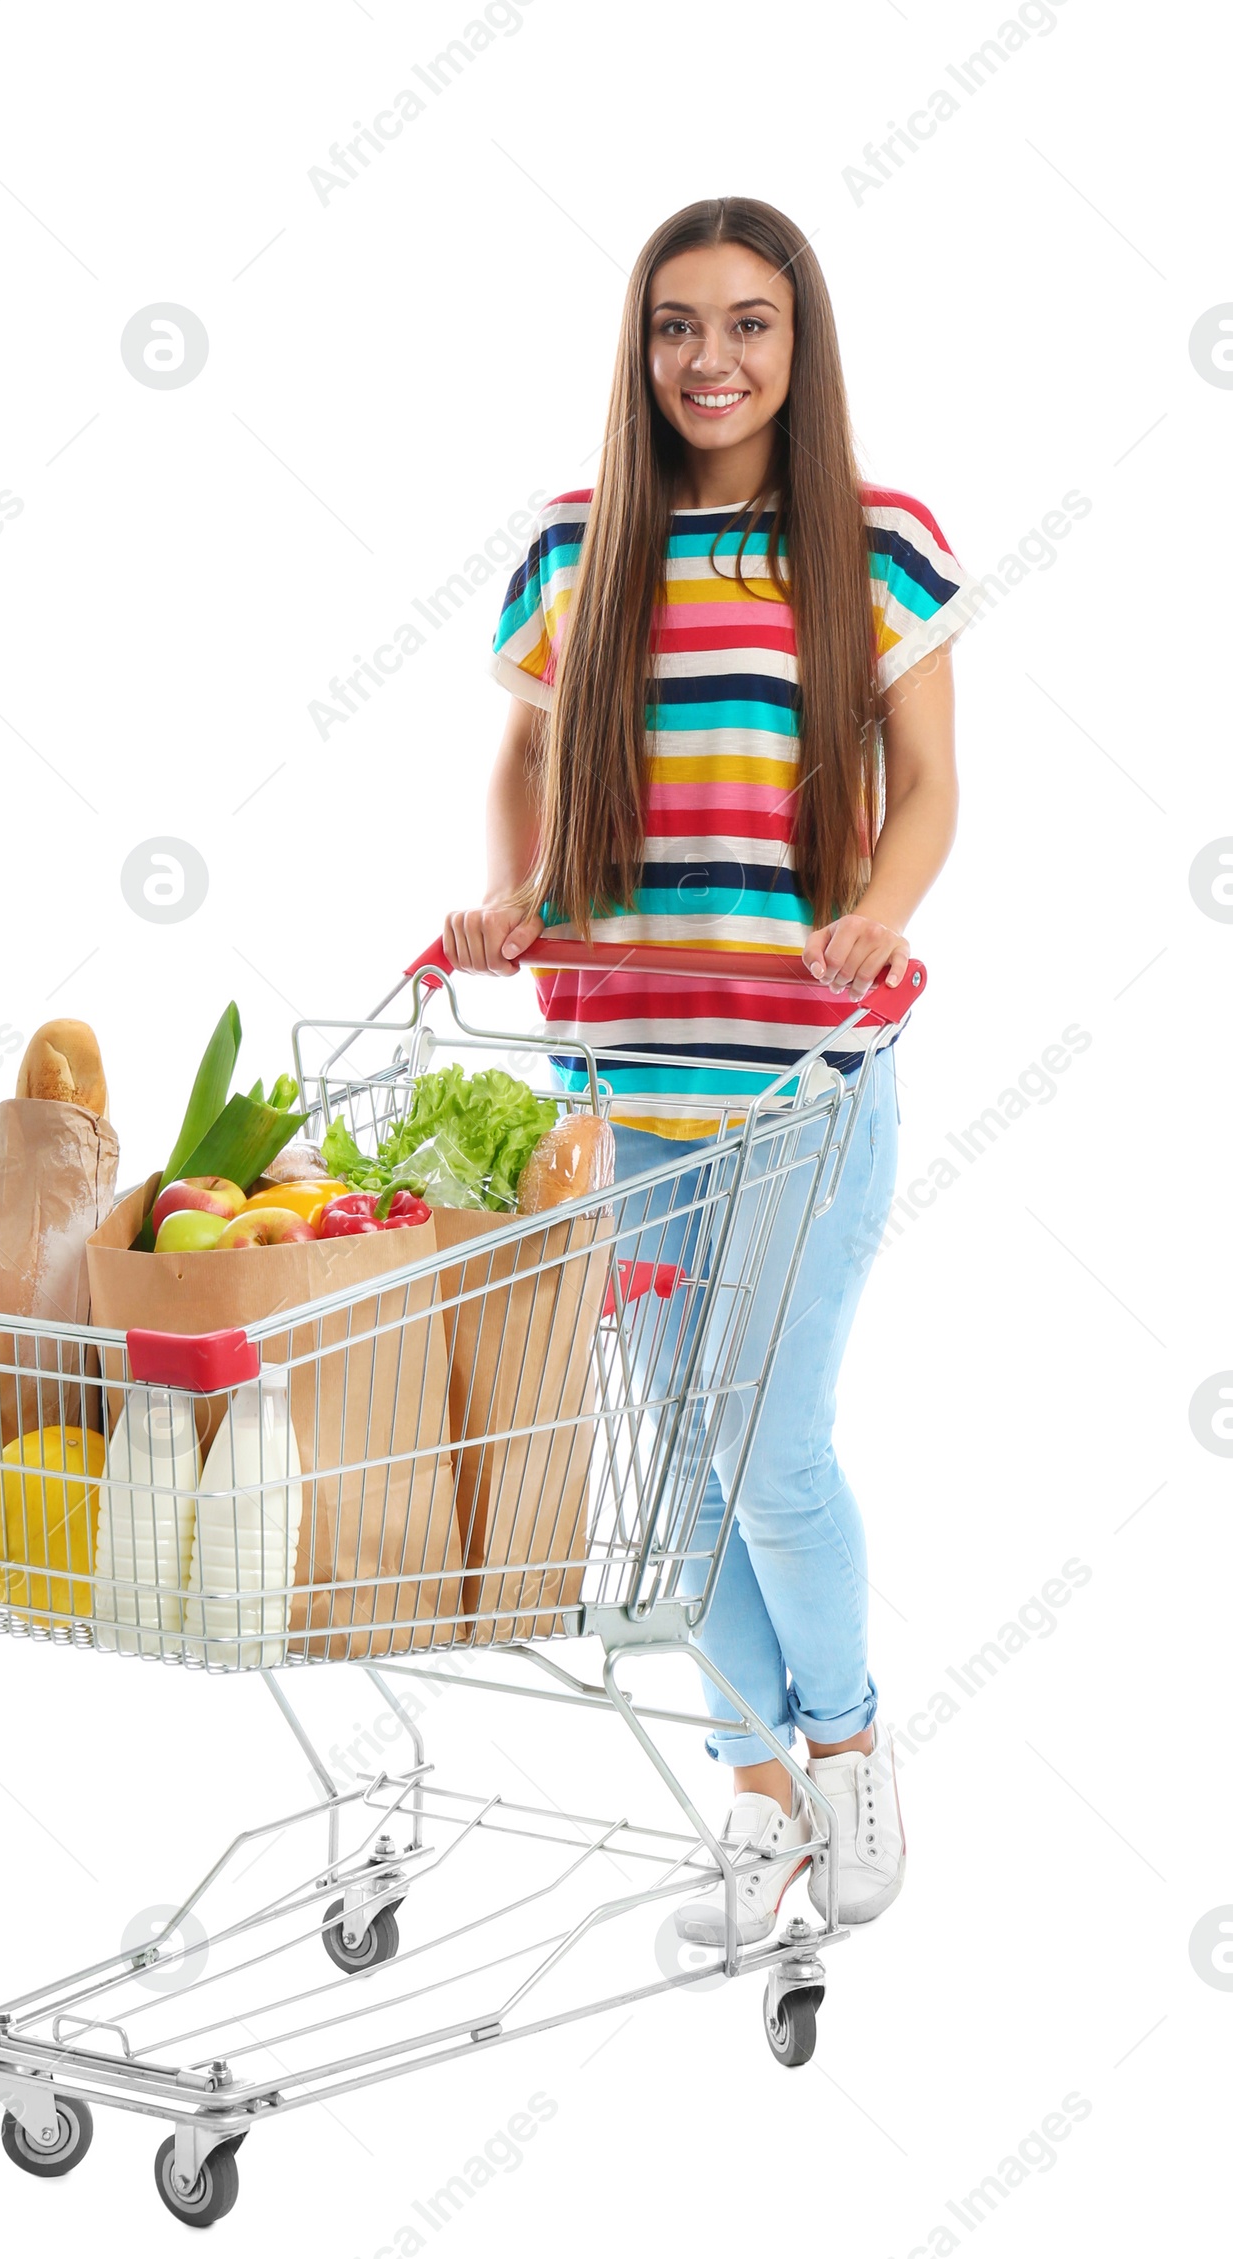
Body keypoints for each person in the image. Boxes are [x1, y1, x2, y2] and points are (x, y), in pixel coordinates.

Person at [442, 196, 978, 1944]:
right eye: (678, 325)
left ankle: (849, 1741)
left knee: (772, 1453)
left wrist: (874, 917)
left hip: (800, 1078)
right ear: (640, 345)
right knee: (677, 1449)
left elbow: (933, 787)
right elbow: (525, 755)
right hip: (622, 1075)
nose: (711, 360)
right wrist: (519, 898)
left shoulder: (874, 543)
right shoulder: (576, 540)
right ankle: (755, 1799)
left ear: (799, 344)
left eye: (750, 324)